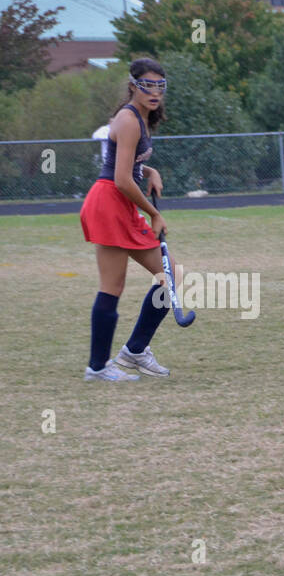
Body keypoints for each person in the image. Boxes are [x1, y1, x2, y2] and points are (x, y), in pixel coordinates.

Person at [77, 58, 174, 381]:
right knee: (112, 286)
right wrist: (154, 212)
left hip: (119, 203)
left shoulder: (140, 120)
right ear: (133, 85)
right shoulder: (130, 119)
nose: (154, 91)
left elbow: (127, 165)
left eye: (160, 85)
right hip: (109, 202)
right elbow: (119, 178)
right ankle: (98, 366)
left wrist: (150, 170)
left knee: (169, 274)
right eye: (147, 84)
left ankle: (134, 350)